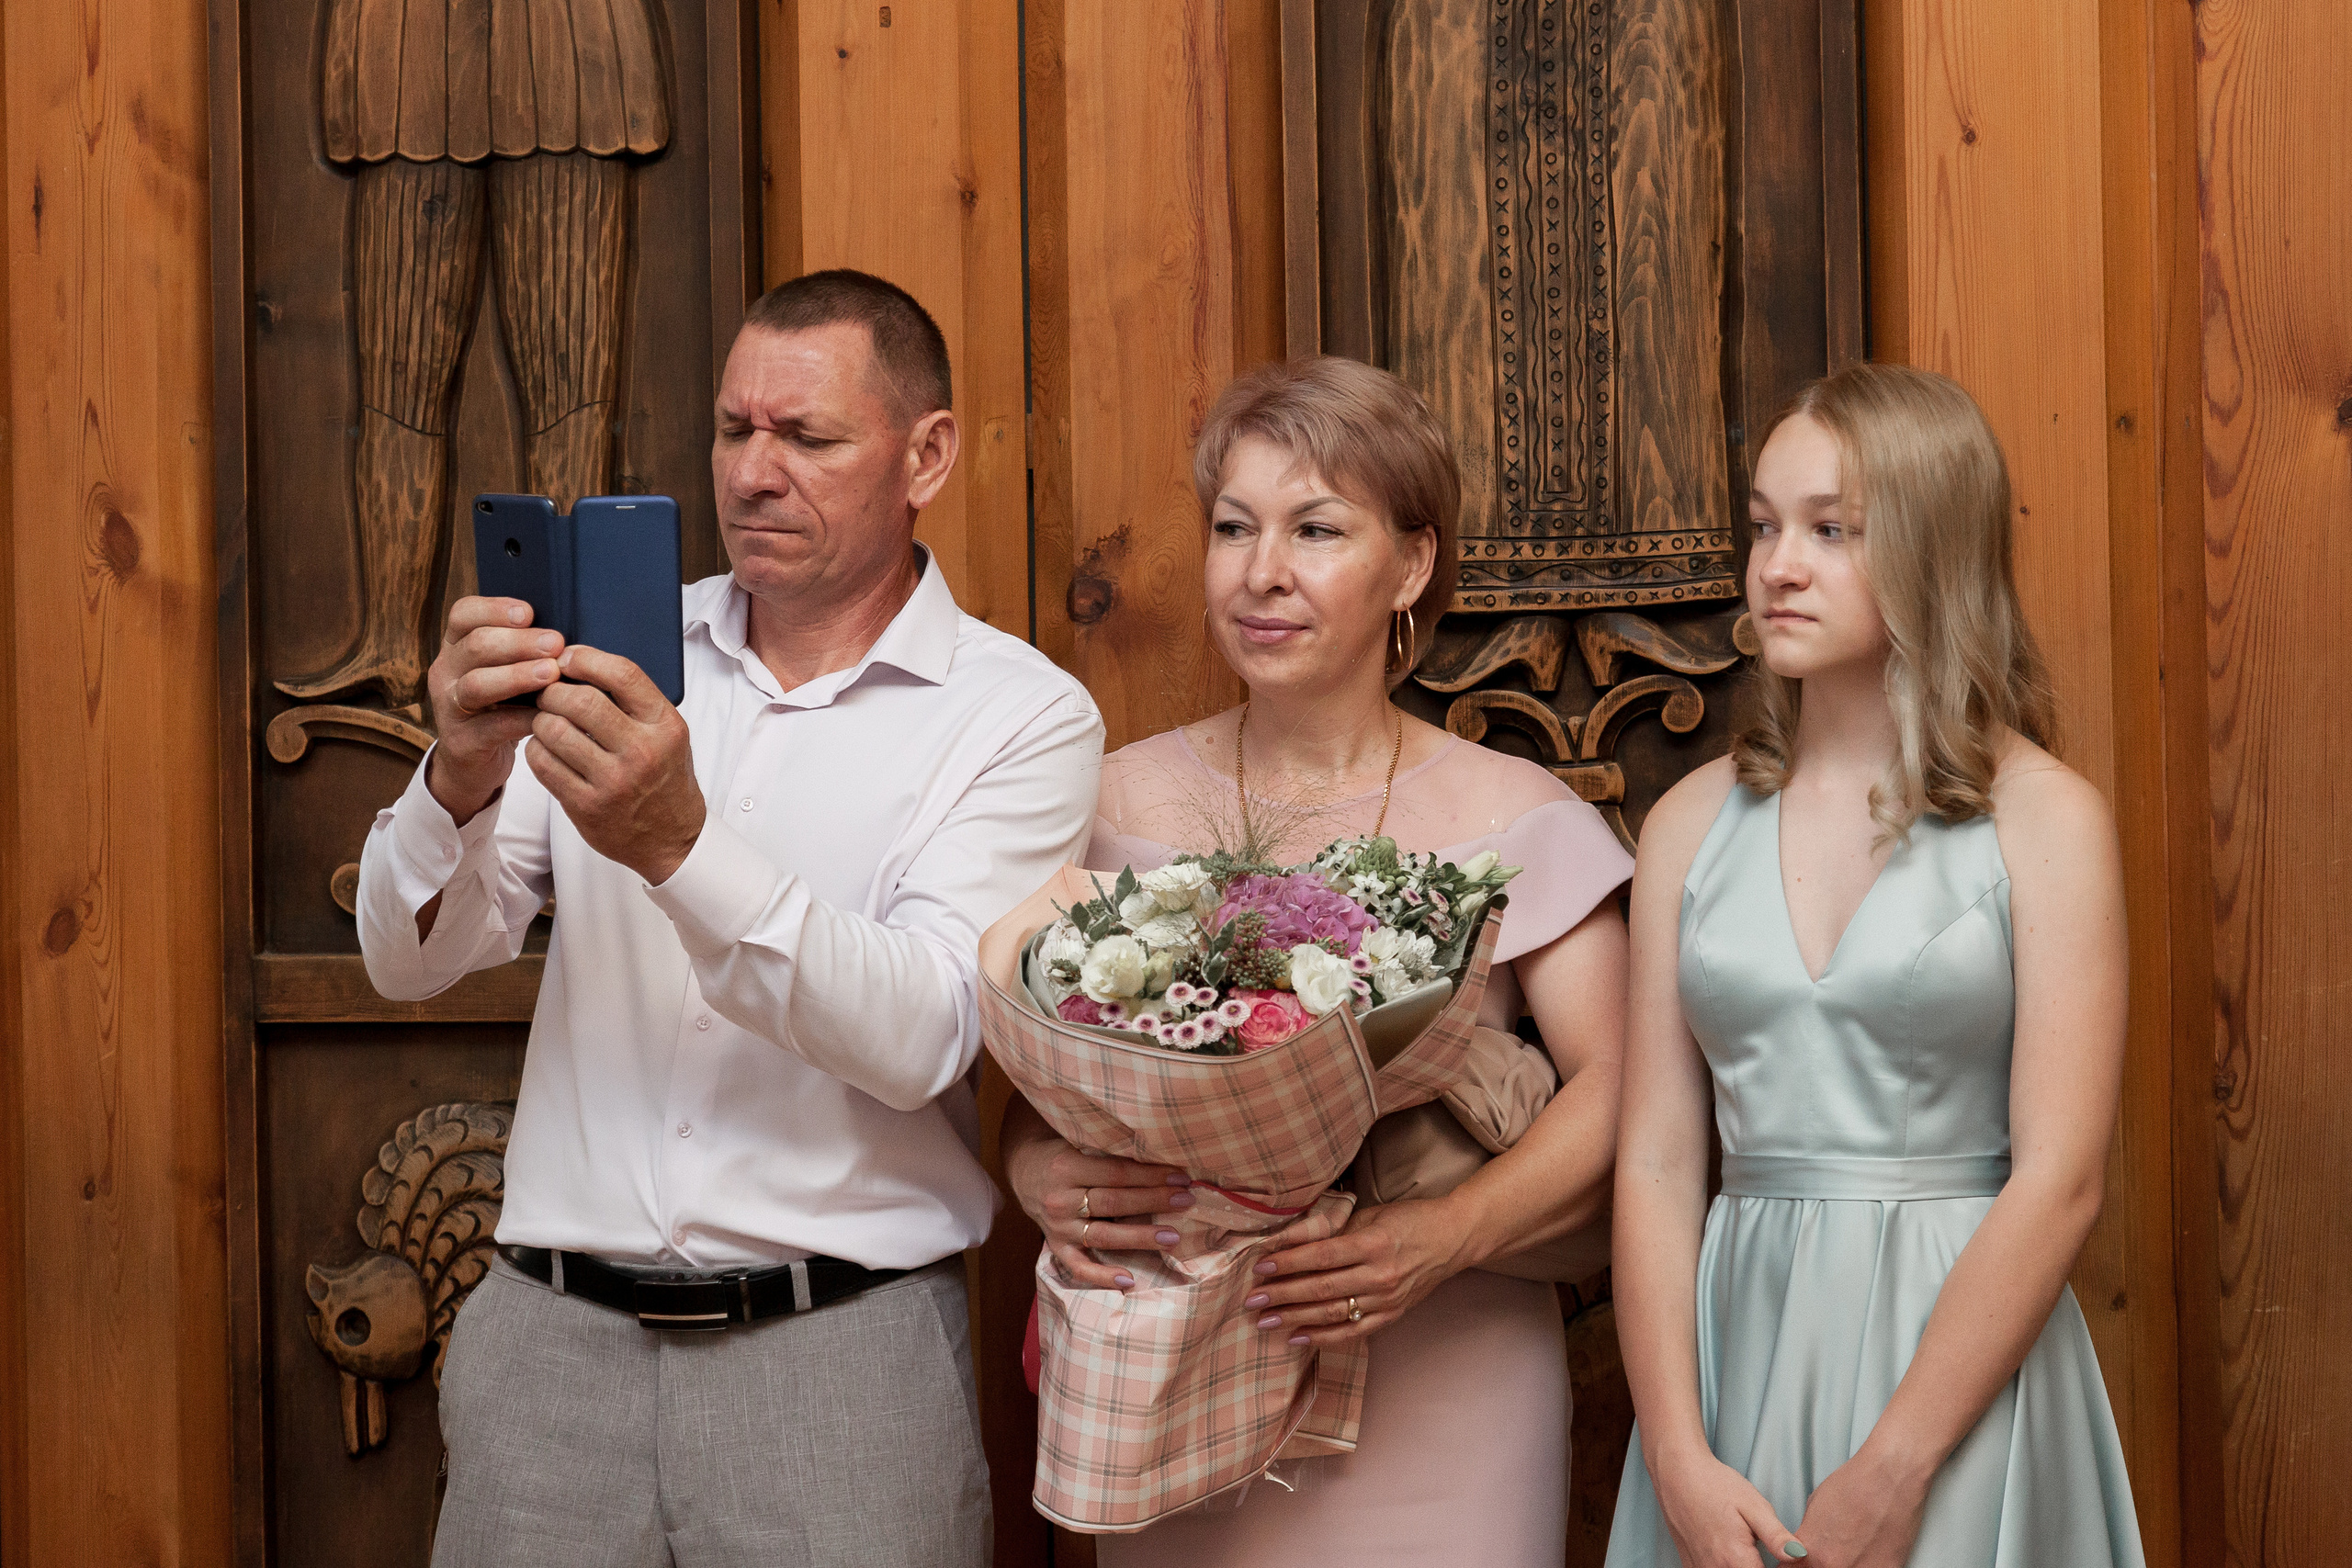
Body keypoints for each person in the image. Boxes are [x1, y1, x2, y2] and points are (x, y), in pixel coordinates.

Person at [356, 268, 1104, 1567]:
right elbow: (409, 960)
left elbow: (926, 1033)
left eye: (806, 437)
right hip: (544, 1351)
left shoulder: (1020, 717)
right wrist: (461, 776)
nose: (754, 473)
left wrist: (681, 849)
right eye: (733, 430)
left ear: (926, 454)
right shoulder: (614, 653)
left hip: (838, 1360)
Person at [1000, 356, 1634, 1564]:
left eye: (1315, 529)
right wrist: (1037, 1175)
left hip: (1450, 1368)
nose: (1261, 572)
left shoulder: (1519, 812)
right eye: (1234, 528)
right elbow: (1031, 1076)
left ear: (1411, 564)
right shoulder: (1103, 801)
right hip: (1180, 1376)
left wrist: (1438, 1237)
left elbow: (1621, 1093)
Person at [1604, 364, 2145, 1568]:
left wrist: (1899, 1462)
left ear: (1935, 547)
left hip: (1957, 1375)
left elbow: (2060, 1180)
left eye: (1832, 529)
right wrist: (1680, 1458)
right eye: (1764, 525)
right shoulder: (1689, 823)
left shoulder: (2046, 820)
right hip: (1729, 1360)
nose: (1778, 565)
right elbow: (1652, 1159)